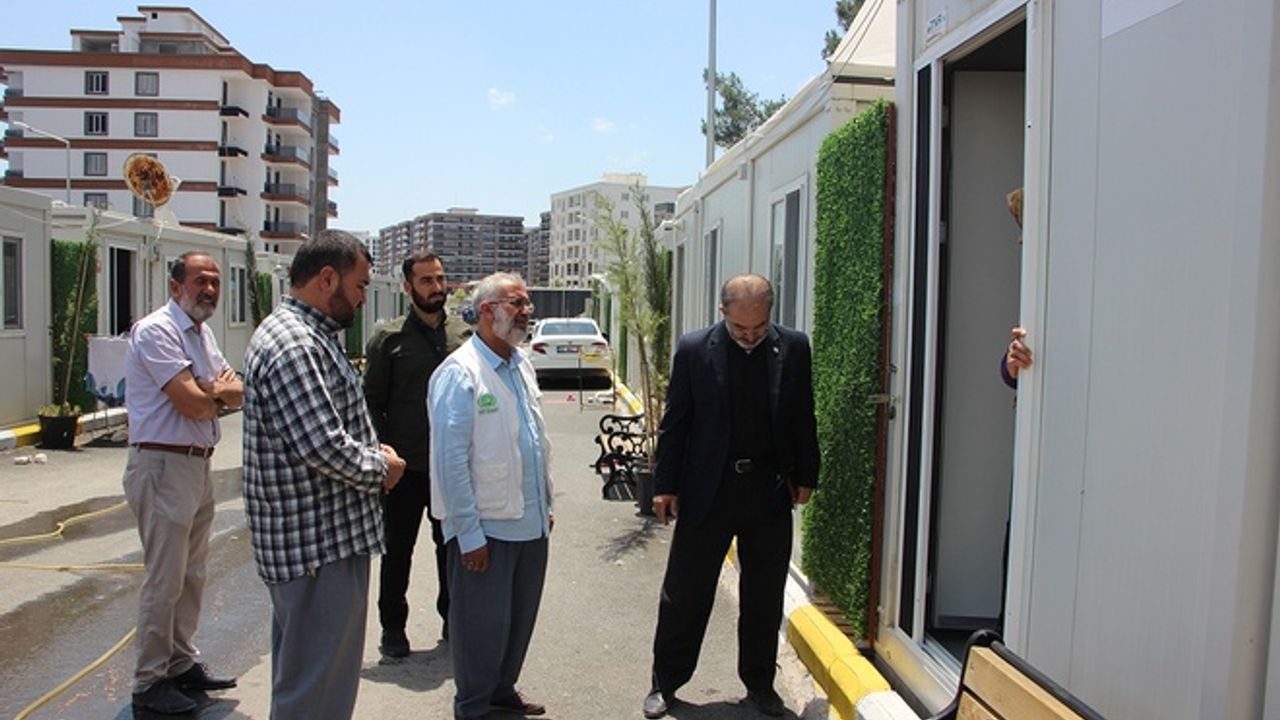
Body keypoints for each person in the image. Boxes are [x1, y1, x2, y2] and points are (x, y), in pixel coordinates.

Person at [241, 230, 406, 720]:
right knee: (315, 694)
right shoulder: (295, 344)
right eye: (360, 285)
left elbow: (323, 430)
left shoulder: (309, 336)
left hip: (320, 546)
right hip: (318, 549)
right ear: (327, 278)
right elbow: (321, 445)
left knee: (311, 684)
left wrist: (371, 450)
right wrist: (383, 467)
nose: (362, 297)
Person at [643, 273, 820, 719]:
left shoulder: (794, 347)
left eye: (759, 328)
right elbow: (676, 422)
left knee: (764, 595)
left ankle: (760, 685)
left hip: (768, 491)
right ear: (722, 312)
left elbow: (803, 414)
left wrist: (807, 474)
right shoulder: (694, 349)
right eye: (740, 328)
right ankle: (665, 683)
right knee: (685, 593)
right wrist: (665, 486)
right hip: (708, 490)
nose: (750, 336)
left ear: (770, 314)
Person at [428, 272, 552, 720]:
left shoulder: (520, 363)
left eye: (526, 304)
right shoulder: (460, 373)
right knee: (480, 626)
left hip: (529, 521)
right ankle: (473, 705)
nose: (525, 312)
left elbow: (533, 440)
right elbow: (450, 460)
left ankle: (502, 689)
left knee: (518, 620)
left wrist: (545, 502)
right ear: (487, 311)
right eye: (516, 304)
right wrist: (468, 533)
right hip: (486, 528)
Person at [123, 251, 242, 715]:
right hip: (162, 465)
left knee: (191, 574)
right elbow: (193, 403)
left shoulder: (202, 333)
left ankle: (180, 663)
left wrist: (212, 391)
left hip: (196, 464)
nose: (209, 290)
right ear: (175, 287)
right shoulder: (157, 331)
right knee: (165, 579)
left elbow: (234, 389)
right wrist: (212, 392)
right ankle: (149, 682)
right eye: (199, 281)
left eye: (215, 282)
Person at [364, 250, 469, 657]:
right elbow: (371, 403)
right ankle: (393, 628)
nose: (436, 287)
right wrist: (383, 454)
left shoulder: (464, 337)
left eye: (440, 279)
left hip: (451, 467)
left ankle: (453, 620)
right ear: (408, 287)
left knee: (452, 550)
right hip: (404, 469)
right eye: (426, 280)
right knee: (397, 551)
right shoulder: (388, 340)